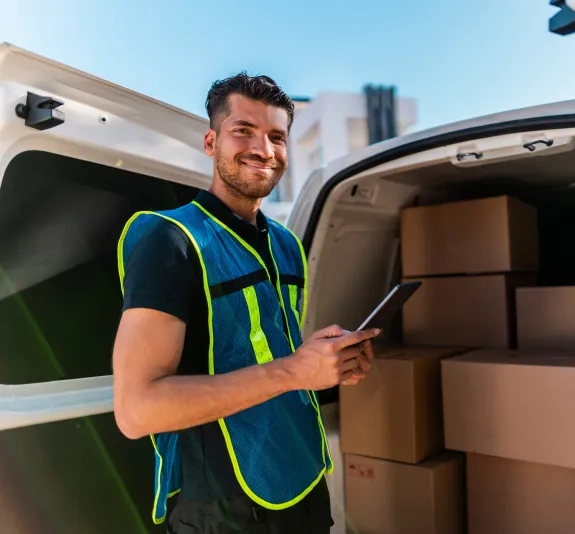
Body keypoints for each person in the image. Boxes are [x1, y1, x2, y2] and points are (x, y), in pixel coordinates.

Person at [112, 72, 379, 533]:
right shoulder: (171, 240)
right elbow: (137, 411)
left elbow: (271, 351)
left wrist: (324, 361)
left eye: (277, 136)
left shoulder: (286, 244)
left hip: (304, 485)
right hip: (224, 510)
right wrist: (297, 371)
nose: (264, 149)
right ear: (211, 141)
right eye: (244, 130)